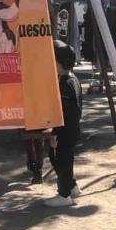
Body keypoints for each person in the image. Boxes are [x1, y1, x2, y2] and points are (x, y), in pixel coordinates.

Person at [44, 40, 83, 207]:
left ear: (58, 63)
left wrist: (54, 133)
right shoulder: (74, 79)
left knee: (59, 158)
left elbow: (63, 113)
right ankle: (72, 186)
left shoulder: (63, 84)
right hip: (73, 128)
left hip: (65, 130)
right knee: (66, 158)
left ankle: (64, 194)